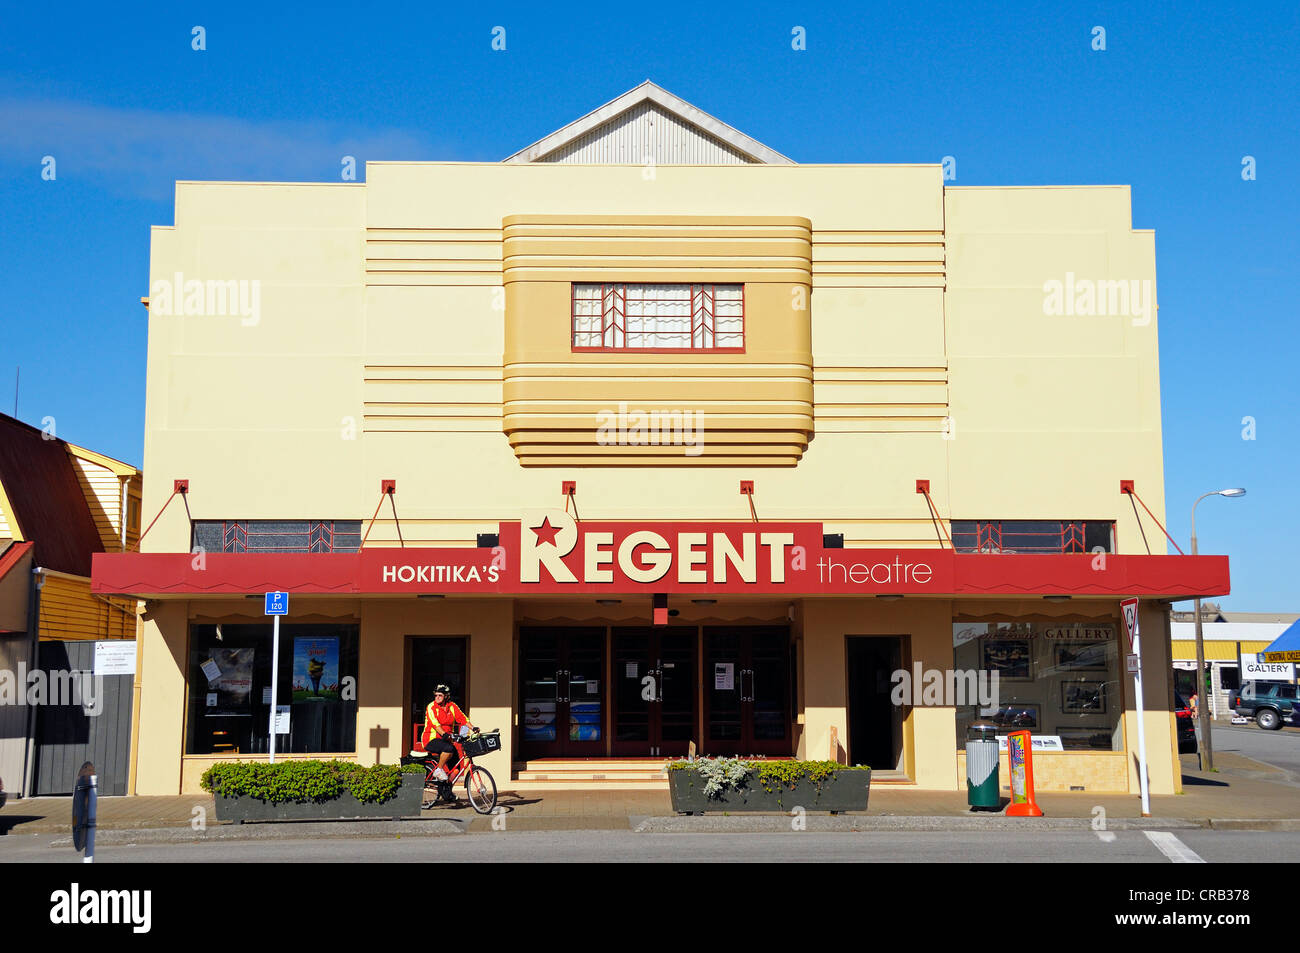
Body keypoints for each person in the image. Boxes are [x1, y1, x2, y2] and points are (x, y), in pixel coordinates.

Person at [422, 684, 473, 781]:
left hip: (446, 740)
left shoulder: (452, 706)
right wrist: (444, 734)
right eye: (436, 695)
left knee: (456, 770)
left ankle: (447, 791)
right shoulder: (431, 707)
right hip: (431, 739)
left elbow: (462, 718)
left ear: (446, 696)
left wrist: (473, 728)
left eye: (440, 695)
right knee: (449, 748)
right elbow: (435, 724)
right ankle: (439, 770)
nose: (437, 697)